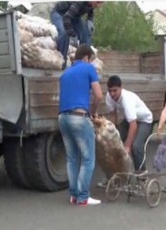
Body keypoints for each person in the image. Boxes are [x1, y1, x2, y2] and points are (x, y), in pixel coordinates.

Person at [58, 44, 103, 206]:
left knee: (72, 158)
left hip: (63, 118)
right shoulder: (88, 68)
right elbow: (98, 95)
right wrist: (93, 111)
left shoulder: (65, 72)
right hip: (79, 117)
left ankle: (73, 195)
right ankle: (83, 197)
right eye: (90, 59)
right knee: (88, 158)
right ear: (86, 57)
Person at [97, 75, 153, 187]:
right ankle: (113, 177)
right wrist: (110, 135)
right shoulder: (109, 96)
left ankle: (142, 178)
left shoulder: (127, 99)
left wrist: (127, 145)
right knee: (110, 144)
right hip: (128, 121)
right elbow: (113, 116)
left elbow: (134, 125)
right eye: (110, 91)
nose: (112, 94)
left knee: (136, 146)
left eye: (115, 90)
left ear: (121, 87)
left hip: (144, 121)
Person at [50, 1, 103, 69]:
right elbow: (66, 18)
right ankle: (62, 63)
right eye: (98, 2)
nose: (98, 5)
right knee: (64, 33)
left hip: (74, 16)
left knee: (85, 35)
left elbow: (90, 11)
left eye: (101, 3)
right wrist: (72, 34)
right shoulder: (79, 3)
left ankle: (83, 64)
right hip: (59, 13)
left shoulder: (91, 4)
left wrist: (90, 21)